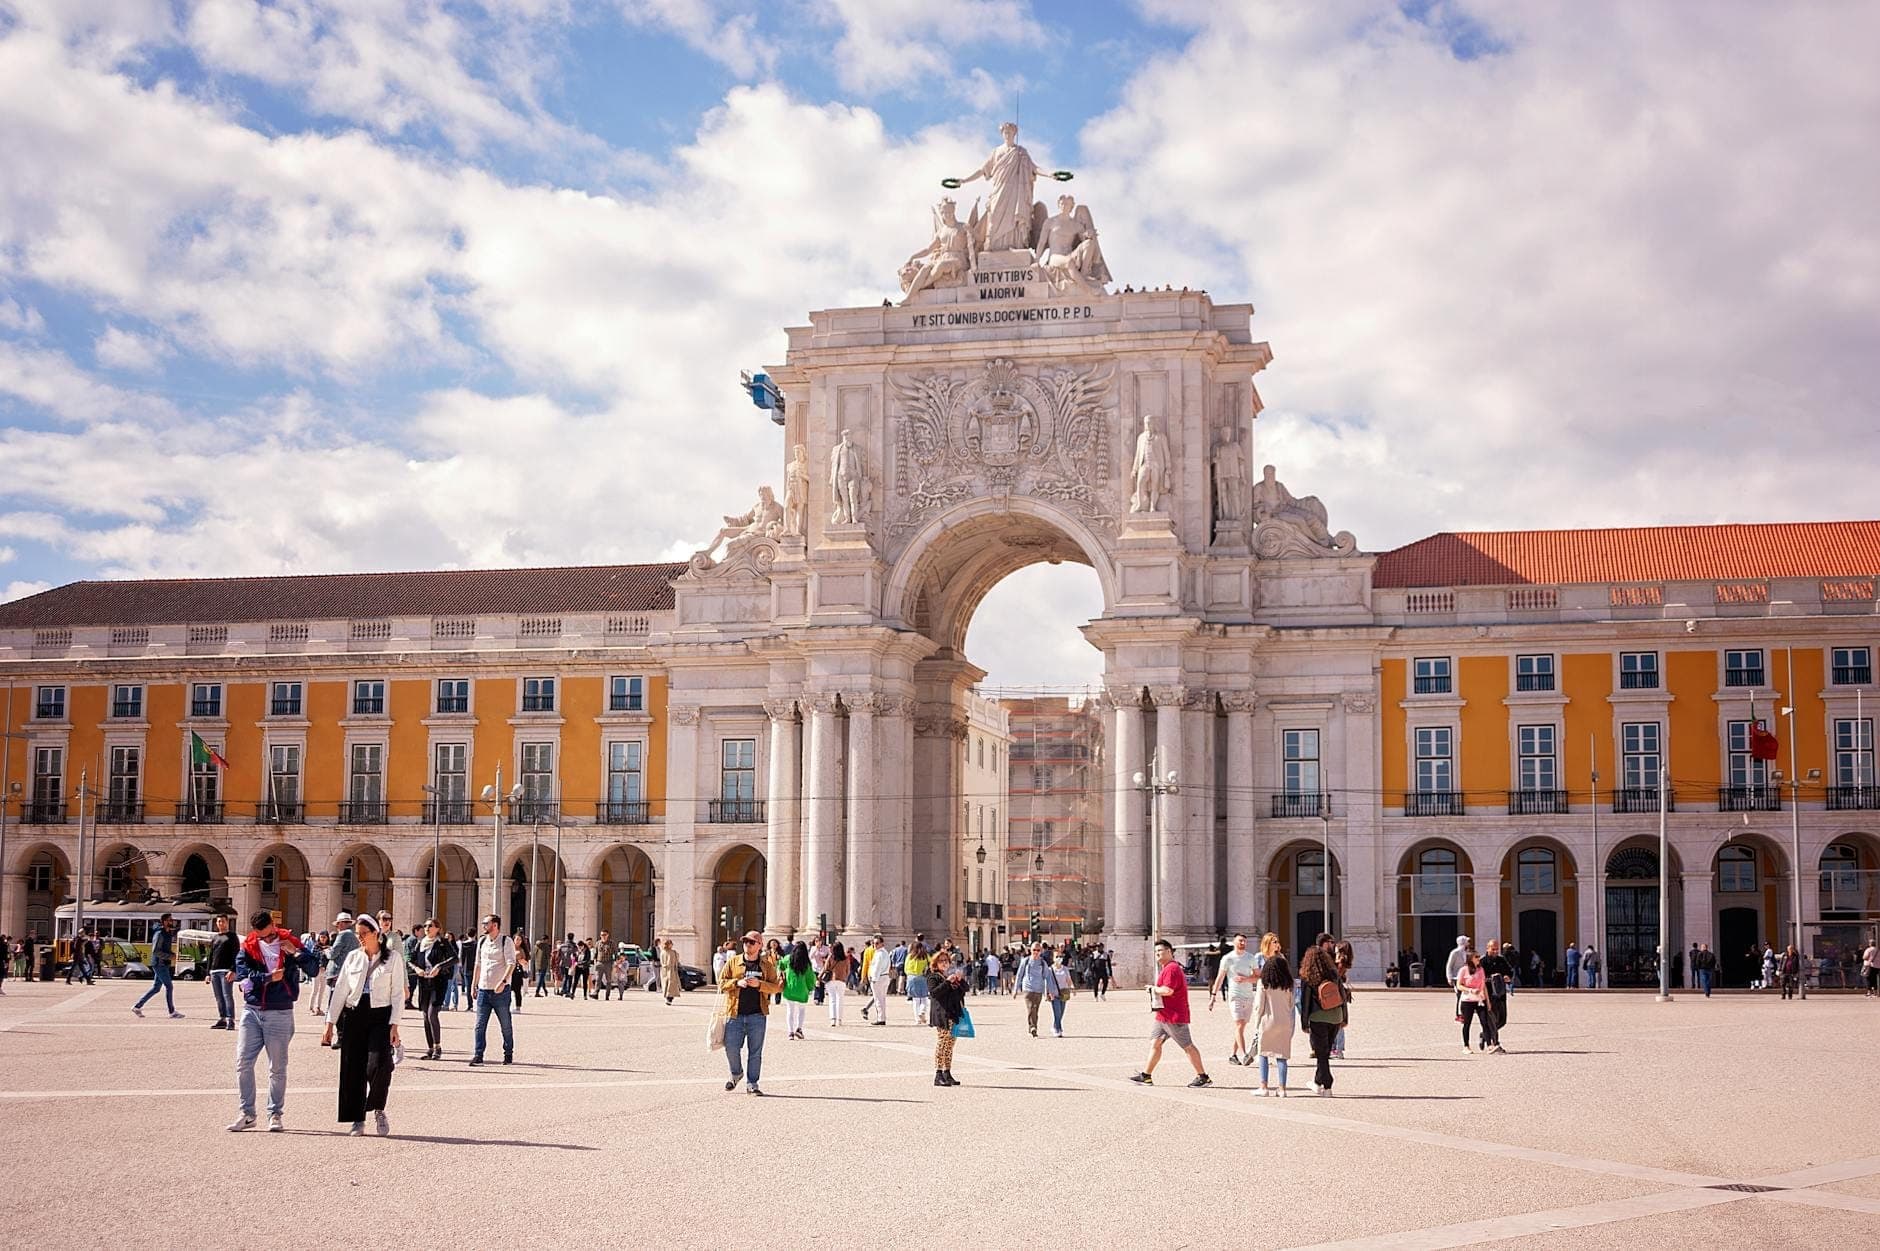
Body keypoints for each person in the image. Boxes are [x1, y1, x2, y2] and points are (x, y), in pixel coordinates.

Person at [228, 909, 323, 1132]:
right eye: (262, 936)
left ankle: (275, 1114)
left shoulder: (289, 941)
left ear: (274, 925)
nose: (266, 939)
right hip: (251, 1010)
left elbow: (313, 968)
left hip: (280, 1011)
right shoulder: (249, 945)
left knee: (277, 1067)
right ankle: (247, 1113)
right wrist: (268, 977)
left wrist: (296, 954)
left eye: (269, 935)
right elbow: (243, 974)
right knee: (243, 1062)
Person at [323, 913, 406, 1136]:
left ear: (376, 934)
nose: (360, 938)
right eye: (358, 934)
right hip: (355, 1013)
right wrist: (330, 1022)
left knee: (380, 1064)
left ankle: (378, 1108)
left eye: (364, 934)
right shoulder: (352, 957)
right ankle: (356, 1119)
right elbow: (340, 990)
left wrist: (395, 1025)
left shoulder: (393, 958)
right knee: (352, 1067)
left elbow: (398, 994)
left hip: (380, 1014)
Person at [1130, 938, 1211, 1088]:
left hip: (1174, 1016)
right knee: (1156, 1042)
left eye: (1160, 951)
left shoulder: (1172, 968)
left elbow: (1168, 991)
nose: (1157, 954)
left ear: (1169, 951)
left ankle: (1203, 1076)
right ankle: (1146, 1075)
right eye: (1155, 952)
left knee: (1187, 1046)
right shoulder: (1167, 968)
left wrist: (1152, 989)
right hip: (1163, 1015)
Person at [718, 931, 780, 1096]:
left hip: (757, 1015)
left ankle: (752, 1083)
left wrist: (760, 985)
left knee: (755, 1052)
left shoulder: (766, 966)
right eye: (745, 942)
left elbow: (776, 987)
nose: (748, 945)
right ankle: (736, 1073)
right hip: (734, 1013)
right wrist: (736, 982)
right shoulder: (733, 962)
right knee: (731, 1047)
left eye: (752, 942)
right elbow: (721, 982)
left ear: (760, 945)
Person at [1299, 931, 1348, 1095]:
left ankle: (1327, 1085)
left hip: (1318, 1017)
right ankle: (1316, 1082)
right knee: (1324, 1052)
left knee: (1321, 1053)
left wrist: (1304, 1023)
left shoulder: (1308, 976)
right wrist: (1344, 1017)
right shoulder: (1333, 973)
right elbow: (1342, 995)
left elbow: (1304, 1002)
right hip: (1335, 1016)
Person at [469, 914, 516, 1066]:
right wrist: (473, 985)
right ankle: (478, 1055)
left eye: (486, 923)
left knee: (505, 1025)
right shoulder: (482, 941)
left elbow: (511, 963)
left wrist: (503, 981)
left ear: (495, 925)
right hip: (483, 989)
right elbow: (478, 964)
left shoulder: (505, 941)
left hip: (500, 991)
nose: (483, 925)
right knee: (479, 1025)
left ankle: (508, 1053)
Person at [1209, 932, 1259, 1065]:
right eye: (1240, 941)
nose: (1242, 943)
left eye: (1244, 941)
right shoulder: (1227, 958)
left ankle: (1233, 1055)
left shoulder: (1251, 958)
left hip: (1248, 995)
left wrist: (1246, 979)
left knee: (1241, 1028)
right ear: (1234, 942)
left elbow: (1257, 977)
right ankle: (1244, 1054)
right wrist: (1213, 996)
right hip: (1235, 995)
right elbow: (1220, 977)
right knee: (1239, 1024)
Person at [411, 918, 456, 1061]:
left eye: (430, 926)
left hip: (438, 982)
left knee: (432, 1014)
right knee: (425, 1015)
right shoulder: (421, 943)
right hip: (424, 982)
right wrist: (417, 968)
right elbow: (410, 960)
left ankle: (438, 1046)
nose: (427, 928)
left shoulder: (442, 943)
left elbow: (455, 959)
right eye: (425, 926)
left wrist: (439, 966)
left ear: (437, 928)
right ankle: (430, 1048)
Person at [1252, 953, 1295, 1096]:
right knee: (1282, 1055)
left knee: (1263, 1053)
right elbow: (1291, 1004)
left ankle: (1263, 1086)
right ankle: (1282, 1088)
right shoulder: (1288, 985)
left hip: (1267, 1021)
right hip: (1284, 1021)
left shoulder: (1263, 984)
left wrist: (1256, 1024)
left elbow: (1259, 1006)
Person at [928, 949, 970, 1087]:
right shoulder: (933, 977)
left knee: (950, 1044)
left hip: (953, 1014)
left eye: (946, 961)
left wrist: (960, 980)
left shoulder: (950, 975)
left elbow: (964, 990)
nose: (945, 963)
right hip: (942, 1015)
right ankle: (938, 1073)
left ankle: (947, 1072)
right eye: (941, 961)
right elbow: (935, 993)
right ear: (936, 963)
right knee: (942, 1043)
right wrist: (947, 982)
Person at [132, 912, 183, 1019]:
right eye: (169, 920)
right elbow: (155, 951)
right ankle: (172, 1011)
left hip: (163, 963)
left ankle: (137, 1006)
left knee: (156, 988)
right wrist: (170, 956)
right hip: (159, 964)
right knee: (169, 986)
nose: (171, 921)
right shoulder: (159, 934)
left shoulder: (167, 933)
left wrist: (172, 955)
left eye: (171, 920)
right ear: (164, 921)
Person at [320, 912, 360, 1041]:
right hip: (348, 972)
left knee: (335, 1005)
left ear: (342, 924)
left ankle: (338, 1036)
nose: (337, 927)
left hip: (337, 972)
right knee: (345, 1006)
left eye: (338, 924)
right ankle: (345, 1035)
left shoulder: (342, 935)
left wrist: (326, 950)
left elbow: (333, 954)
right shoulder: (353, 937)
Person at [1456, 948, 1502, 1053]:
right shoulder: (1464, 970)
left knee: (1484, 1022)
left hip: (1480, 1000)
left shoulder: (1480, 969)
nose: (1479, 959)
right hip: (1467, 1000)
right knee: (1467, 1023)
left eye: (1478, 956)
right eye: (1476, 957)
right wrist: (1470, 990)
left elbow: (1484, 985)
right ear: (1470, 959)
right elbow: (1459, 985)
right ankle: (1466, 1046)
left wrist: (1488, 1001)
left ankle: (1489, 1045)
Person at [1012, 941, 1057, 1037]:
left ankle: (1033, 1027)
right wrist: (1015, 989)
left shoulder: (1042, 963)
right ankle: (1033, 1027)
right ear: (1030, 950)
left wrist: (1051, 991)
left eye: (1038, 950)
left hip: (1039, 989)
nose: (1036, 952)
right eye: (1034, 950)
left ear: (1041, 951)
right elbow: (1019, 974)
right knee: (1031, 1007)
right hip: (1028, 988)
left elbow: (1047, 977)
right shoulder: (1026, 961)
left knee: (1035, 1009)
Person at [208, 913, 239, 1030]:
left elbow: (236, 955)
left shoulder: (232, 936)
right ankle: (222, 1018)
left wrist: (233, 970)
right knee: (218, 997)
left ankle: (230, 1020)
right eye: (219, 921)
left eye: (223, 921)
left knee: (227, 995)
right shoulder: (215, 937)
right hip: (214, 971)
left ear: (227, 922)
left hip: (226, 971)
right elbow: (211, 955)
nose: (221, 923)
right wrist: (208, 973)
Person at [1480, 939, 1515, 1044]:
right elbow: (1478, 977)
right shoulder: (1482, 962)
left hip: (1500, 993)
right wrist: (1489, 979)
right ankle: (1495, 1042)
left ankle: (1485, 1034)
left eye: (1497, 949)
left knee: (1502, 1020)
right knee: (1492, 1019)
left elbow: (1509, 971)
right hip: (1489, 994)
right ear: (1488, 948)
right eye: (1493, 949)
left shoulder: (1501, 960)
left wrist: (1507, 976)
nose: (1495, 951)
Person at [780, 941, 814, 1040]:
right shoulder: (806, 963)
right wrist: (810, 987)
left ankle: (790, 1032)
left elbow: (780, 965)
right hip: (802, 989)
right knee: (801, 1010)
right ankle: (799, 1029)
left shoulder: (788, 959)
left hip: (790, 988)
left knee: (790, 1011)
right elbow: (810, 977)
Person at [865, 935, 892, 1025]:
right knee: (882, 999)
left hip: (879, 978)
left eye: (877, 943)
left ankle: (881, 1018)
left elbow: (877, 967)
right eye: (873, 943)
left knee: (878, 999)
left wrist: (874, 979)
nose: (875, 945)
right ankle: (882, 1017)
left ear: (882, 943)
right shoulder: (885, 953)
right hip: (885, 977)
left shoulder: (879, 954)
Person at [823, 941, 852, 1026]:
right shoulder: (846, 958)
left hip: (832, 979)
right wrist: (844, 976)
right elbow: (848, 970)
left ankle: (833, 1019)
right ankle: (839, 1019)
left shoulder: (831, 957)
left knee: (832, 1000)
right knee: (840, 1000)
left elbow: (825, 968)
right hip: (841, 980)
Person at [904, 940, 932, 1025]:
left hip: (911, 977)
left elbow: (905, 967)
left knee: (915, 1000)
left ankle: (917, 1019)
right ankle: (922, 1011)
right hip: (923, 977)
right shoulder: (925, 956)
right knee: (924, 997)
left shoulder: (910, 956)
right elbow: (931, 964)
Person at [1048, 950, 1074, 1037]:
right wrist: (1048, 992)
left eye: (1060, 956)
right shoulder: (1050, 970)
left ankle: (1055, 1025)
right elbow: (1048, 982)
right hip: (1054, 994)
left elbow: (1068, 980)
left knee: (1061, 1012)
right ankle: (1058, 1029)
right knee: (1057, 1012)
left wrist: (1072, 988)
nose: (1059, 958)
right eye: (1057, 957)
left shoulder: (1065, 969)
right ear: (1053, 958)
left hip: (1064, 992)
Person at [659, 938, 683, 1004]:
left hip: (665, 970)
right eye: (671, 944)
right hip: (670, 970)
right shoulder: (671, 952)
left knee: (667, 985)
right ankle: (669, 998)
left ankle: (668, 997)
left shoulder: (663, 952)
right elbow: (676, 960)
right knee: (670, 984)